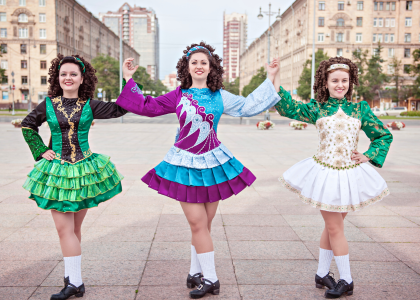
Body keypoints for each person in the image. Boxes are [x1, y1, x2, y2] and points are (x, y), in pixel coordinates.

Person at [116, 42, 281, 299]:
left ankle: (196, 272)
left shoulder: (220, 96)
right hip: (185, 165)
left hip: (213, 164)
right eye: (194, 62)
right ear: (187, 67)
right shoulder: (178, 95)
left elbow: (248, 106)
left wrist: (271, 76)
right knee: (198, 223)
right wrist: (128, 79)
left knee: (204, 225)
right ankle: (211, 279)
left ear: (211, 67)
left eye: (204, 62)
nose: (199, 66)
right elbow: (148, 106)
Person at [273, 57, 393, 298]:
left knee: (332, 227)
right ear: (325, 83)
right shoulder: (318, 107)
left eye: (345, 81)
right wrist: (274, 77)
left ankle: (322, 274)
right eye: (335, 81)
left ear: (351, 82)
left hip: (350, 177)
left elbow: (383, 135)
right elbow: (287, 106)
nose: (340, 85)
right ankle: (346, 279)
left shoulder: (361, 109)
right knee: (335, 227)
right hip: (325, 173)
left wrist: (368, 155)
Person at [21, 54, 128, 300]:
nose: (68, 78)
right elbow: (28, 125)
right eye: (63, 74)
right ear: (57, 79)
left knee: (74, 229)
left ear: (82, 79)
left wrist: (128, 79)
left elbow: (121, 108)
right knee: (64, 230)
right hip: (57, 172)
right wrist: (40, 151)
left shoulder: (90, 104)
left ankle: (74, 281)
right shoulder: (48, 104)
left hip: (84, 171)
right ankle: (74, 281)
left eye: (73, 74)